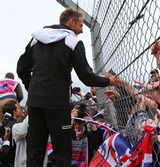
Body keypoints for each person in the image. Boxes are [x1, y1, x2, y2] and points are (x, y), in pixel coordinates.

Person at [16, 8, 118, 167]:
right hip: (57, 104)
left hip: (35, 103)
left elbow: (21, 68)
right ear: (71, 22)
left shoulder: (36, 39)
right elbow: (86, 76)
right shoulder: (72, 41)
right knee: (63, 152)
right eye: (80, 25)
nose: (82, 30)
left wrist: (34, 89)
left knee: (35, 152)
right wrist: (108, 81)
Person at [0, 100, 23, 166]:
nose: (21, 110)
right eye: (18, 108)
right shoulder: (15, 126)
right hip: (10, 162)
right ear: (14, 111)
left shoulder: (3, 123)